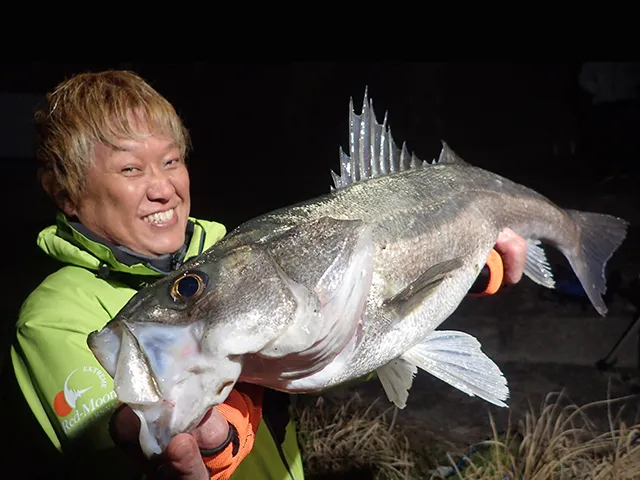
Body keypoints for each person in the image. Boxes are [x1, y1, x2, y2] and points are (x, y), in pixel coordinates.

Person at [8, 69, 528, 480]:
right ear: (65, 194)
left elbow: (344, 344)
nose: (162, 188)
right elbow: (109, 442)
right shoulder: (53, 316)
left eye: (171, 161)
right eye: (129, 170)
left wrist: (465, 273)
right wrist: (186, 440)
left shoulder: (225, 249)